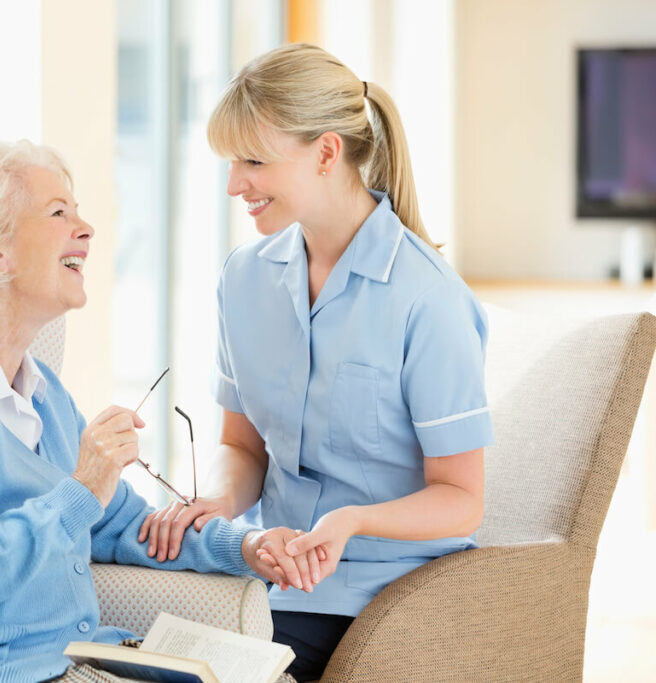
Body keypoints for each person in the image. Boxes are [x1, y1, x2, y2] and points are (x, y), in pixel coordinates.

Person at [0, 140, 311, 683]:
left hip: (74, 660)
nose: (86, 229)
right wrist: (81, 490)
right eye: (59, 213)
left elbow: (124, 525)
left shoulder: (41, 392)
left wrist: (245, 546)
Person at [139, 43, 492, 680]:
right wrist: (216, 500)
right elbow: (243, 447)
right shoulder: (244, 279)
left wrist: (351, 522)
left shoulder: (428, 299)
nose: (233, 184)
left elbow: (462, 498)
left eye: (253, 161)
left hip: (390, 597)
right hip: (274, 582)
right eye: (229, 161)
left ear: (327, 153)